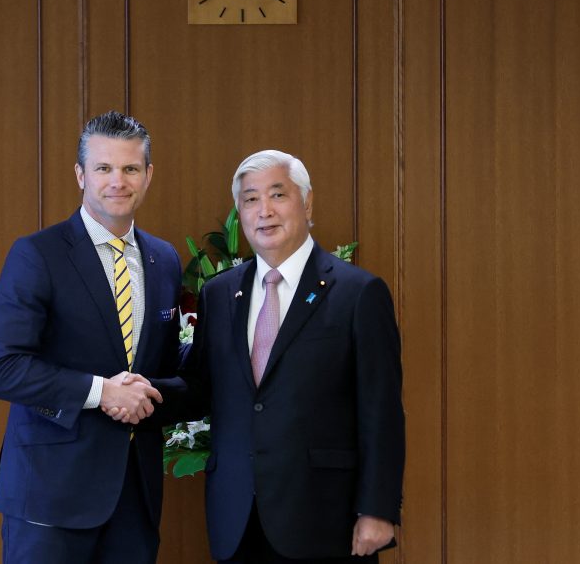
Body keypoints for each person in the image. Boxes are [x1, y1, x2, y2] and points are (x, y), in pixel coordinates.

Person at [137, 149, 406, 562]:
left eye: (277, 195)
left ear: (307, 202)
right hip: (237, 516)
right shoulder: (220, 294)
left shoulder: (358, 294)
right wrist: (130, 394)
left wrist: (378, 509)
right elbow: (204, 388)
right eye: (250, 199)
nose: (264, 211)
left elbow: (381, 411)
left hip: (324, 518)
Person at [0, 110, 182, 563]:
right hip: (50, 497)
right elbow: (1, 369)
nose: (118, 181)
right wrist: (101, 391)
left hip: (135, 499)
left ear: (148, 176)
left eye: (130, 168)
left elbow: (162, 368)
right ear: (80, 175)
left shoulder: (164, 260)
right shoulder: (38, 254)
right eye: (104, 168)